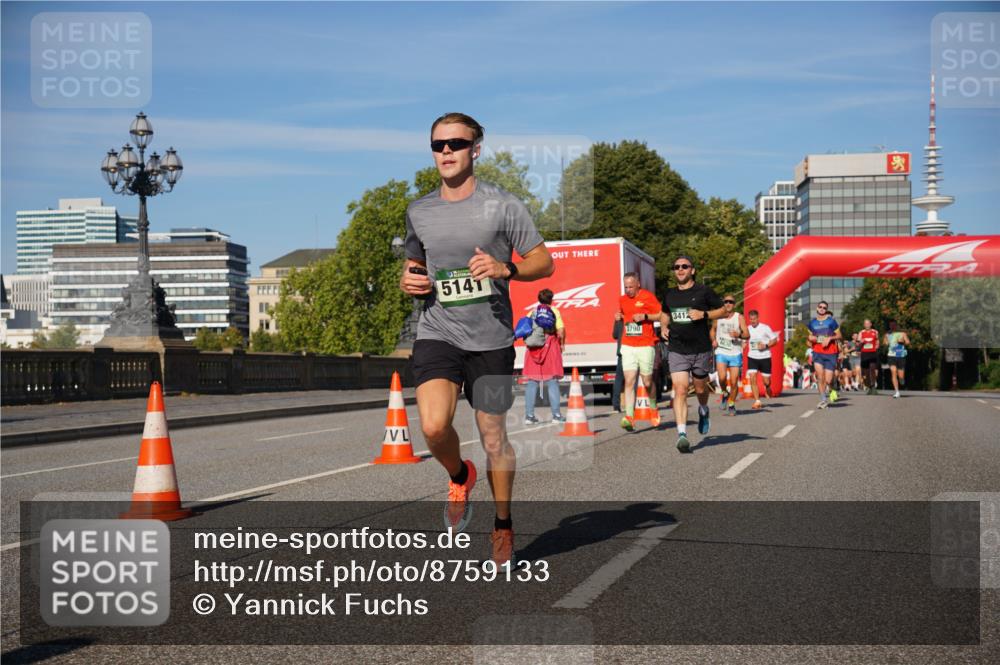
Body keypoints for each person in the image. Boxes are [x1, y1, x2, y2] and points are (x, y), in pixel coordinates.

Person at [400, 112, 554, 566]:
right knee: (431, 425)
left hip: (492, 339)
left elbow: (544, 263)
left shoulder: (504, 205)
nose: (445, 151)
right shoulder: (419, 210)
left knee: (492, 437)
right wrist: (408, 280)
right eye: (437, 145)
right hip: (438, 331)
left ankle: (503, 523)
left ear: (476, 148)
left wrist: (506, 268)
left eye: (455, 143)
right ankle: (458, 474)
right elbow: (412, 264)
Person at [661, 255, 726, 453]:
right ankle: (682, 434)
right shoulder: (669, 294)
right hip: (677, 349)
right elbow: (665, 312)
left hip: (700, 349)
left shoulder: (703, 291)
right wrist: (664, 326)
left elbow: (722, 310)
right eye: (676, 267)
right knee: (680, 390)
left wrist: (703, 314)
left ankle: (704, 410)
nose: (680, 269)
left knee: (699, 390)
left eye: (684, 266)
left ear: (692, 270)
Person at [615, 272, 663, 431]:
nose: (628, 290)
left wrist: (645, 316)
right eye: (625, 287)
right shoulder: (622, 299)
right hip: (628, 344)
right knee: (629, 381)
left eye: (630, 286)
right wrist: (618, 316)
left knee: (647, 382)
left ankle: (654, 407)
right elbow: (624, 315)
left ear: (638, 284)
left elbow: (661, 315)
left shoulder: (648, 297)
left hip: (645, 344)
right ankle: (630, 416)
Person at [523, 289, 565, 425]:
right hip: (550, 346)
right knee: (552, 381)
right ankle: (556, 415)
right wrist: (562, 344)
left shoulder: (532, 312)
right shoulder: (554, 311)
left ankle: (529, 416)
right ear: (551, 299)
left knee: (532, 382)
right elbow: (561, 330)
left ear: (539, 299)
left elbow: (525, 328)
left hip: (534, 348)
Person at [710, 294, 748, 415]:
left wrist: (739, 335)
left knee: (734, 381)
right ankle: (725, 393)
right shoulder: (718, 316)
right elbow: (712, 330)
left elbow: (747, 334)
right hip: (721, 351)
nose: (728, 304)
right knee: (721, 378)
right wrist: (713, 340)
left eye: (730, 302)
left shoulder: (739, 317)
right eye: (726, 301)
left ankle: (731, 403)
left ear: (734, 304)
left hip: (735, 352)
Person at [807, 300, 842, 409]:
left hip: (831, 353)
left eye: (824, 307)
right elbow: (809, 339)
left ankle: (831, 389)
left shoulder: (831, 321)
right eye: (820, 307)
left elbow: (839, 335)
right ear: (817, 308)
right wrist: (811, 339)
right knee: (819, 377)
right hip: (817, 352)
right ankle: (823, 399)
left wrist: (830, 338)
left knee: (828, 380)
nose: (822, 309)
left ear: (826, 310)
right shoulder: (812, 323)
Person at [746, 309, 778, 409]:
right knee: (752, 378)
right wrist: (742, 343)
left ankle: (767, 387)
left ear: (758, 318)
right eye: (751, 319)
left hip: (765, 357)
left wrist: (766, 345)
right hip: (752, 357)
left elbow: (775, 340)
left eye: (754, 319)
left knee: (766, 381)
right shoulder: (748, 329)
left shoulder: (765, 328)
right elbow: (743, 339)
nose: (752, 321)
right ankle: (757, 401)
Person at [884, 320, 910, 399]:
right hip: (891, 355)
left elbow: (908, 342)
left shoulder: (902, 333)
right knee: (893, 372)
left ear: (896, 325)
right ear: (889, 326)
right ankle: (897, 391)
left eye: (894, 325)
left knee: (901, 376)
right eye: (891, 325)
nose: (892, 326)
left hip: (900, 355)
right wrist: (886, 343)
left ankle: (902, 379)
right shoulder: (887, 334)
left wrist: (903, 342)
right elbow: (885, 343)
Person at [858, 318, 880, 394]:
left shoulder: (875, 332)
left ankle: (873, 386)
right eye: (865, 324)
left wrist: (877, 345)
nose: (867, 325)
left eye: (868, 323)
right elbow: (858, 345)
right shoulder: (861, 333)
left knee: (872, 369)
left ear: (871, 324)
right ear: (864, 325)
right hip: (864, 353)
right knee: (865, 372)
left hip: (872, 353)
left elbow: (877, 340)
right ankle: (869, 386)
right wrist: (861, 342)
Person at [612, 317, 624, 412]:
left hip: (622, 351)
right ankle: (637, 402)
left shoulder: (619, 318)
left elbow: (615, 335)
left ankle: (616, 405)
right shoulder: (634, 316)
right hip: (633, 349)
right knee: (634, 378)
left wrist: (617, 321)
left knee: (619, 379)